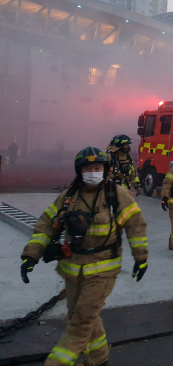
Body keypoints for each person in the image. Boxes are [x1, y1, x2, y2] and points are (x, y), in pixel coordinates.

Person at [20, 146, 148, 366]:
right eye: (88, 168)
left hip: (103, 270)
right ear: (80, 171)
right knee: (83, 317)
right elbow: (45, 226)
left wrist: (141, 258)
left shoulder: (116, 195)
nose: (93, 171)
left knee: (79, 324)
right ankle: (99, 358)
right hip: (72, 269)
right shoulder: (68, 197)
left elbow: (136, 226)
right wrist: (31, 255)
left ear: (105, 169)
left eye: (97, 167)